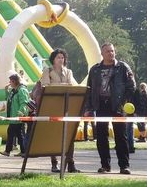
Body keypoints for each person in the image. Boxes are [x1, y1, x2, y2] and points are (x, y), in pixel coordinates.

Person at [85, 43, 136, 175]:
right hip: (101, 105)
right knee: (101, 136)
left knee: (121, 136)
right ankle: (105, 165)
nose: (110, 53)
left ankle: (124, 166)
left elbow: (132, 86)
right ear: (102, 54)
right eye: (107, 51)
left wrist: (124, 103)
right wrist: (89, 108)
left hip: (117, 106)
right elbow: (89, 90)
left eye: (112, 51)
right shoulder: (94, 69)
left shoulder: (123, 67)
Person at [39, 48, 80, 173]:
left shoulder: (68, 72)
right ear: (53, 59)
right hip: (52, 106)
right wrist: (64, 86)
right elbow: (45, 86)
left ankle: (70, 163)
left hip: (67, 106)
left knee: (70, 134)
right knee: (54, 135)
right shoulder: (47, 71)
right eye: (58, 57)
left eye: (62, 57)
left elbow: (73, 86)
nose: (61, 59)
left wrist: (59, 86)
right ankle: (54, 163)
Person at [0, 74, 30, 157]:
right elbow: (9, 99)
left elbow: (24, 102)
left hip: (18, 116)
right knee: (19, 134)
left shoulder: (22, 90)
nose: (9, 83)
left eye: (10, 81)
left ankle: (8, 151)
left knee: (11, 132)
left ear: (14, 81)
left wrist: (21, 111)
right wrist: (6, 90)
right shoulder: (14, 90)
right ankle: (23, 151)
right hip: (13, 117)